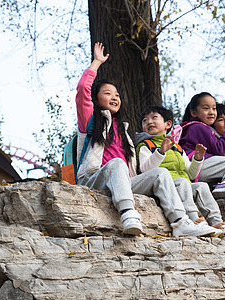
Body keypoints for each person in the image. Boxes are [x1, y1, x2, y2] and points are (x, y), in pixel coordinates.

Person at [75, 43, 216, 237]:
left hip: (124, 181)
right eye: (108, 93)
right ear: (96, 98)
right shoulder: (90, 121)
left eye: (117, 94)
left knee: (161, 173)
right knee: (116, 163)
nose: (114, 97)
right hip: (93, 178)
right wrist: (97, 63)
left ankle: (180, 222)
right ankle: (127, 214)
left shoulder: (124, 131)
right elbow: (83, 89)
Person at [135, 105, 225, 234]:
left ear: (168, 124)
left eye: (154, 118)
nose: (149, 122)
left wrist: (197, 159)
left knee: (201, 186)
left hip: (183, 187)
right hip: (165, 188)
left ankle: (216, 222)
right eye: (145, 121)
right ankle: (194, 220)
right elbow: (146, 170)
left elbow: (191, 174)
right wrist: (160, 152)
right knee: (182, 182)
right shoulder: (145, 145)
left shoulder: (177, 147)